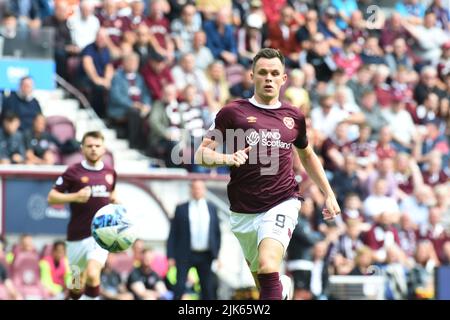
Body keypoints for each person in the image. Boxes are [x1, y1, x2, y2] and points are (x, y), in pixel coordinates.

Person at [194, 48, 340, 300]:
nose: (269, 78)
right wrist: (227, 158)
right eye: (263, 73)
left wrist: (329, 193)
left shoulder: (293, 116)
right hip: (243, 210)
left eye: (275, 73)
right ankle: (281, 290)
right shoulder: (231, 112)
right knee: (266, 284)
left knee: (269, 265)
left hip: (282, 201)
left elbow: (307, 155)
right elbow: (201, 155)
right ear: (252, 76)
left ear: (284, 79)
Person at [47, 131, 118, 300]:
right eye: (89, 146)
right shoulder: (73, 171)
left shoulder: (110, 173)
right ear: (82, 149)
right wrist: (75, 196)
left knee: (93, 274)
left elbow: (113, 195)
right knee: (77, 285)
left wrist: (119, 205)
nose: (93, 149)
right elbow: (52, 197)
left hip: (100, 235)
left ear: (104, 148)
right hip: (76, 235)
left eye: (97, 146)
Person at [167, 180, 221, 300]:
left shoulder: (211, 208)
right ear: (190, 190)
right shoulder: (181, 208)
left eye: (200, 188)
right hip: (185, 254)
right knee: (180, 286)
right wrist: (170, 256)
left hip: (206, 255)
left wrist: (217, 255)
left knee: (207, 288)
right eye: (195, 188)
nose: (197, 191)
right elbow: (173, 233)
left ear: (204, 190)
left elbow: (216, 233)